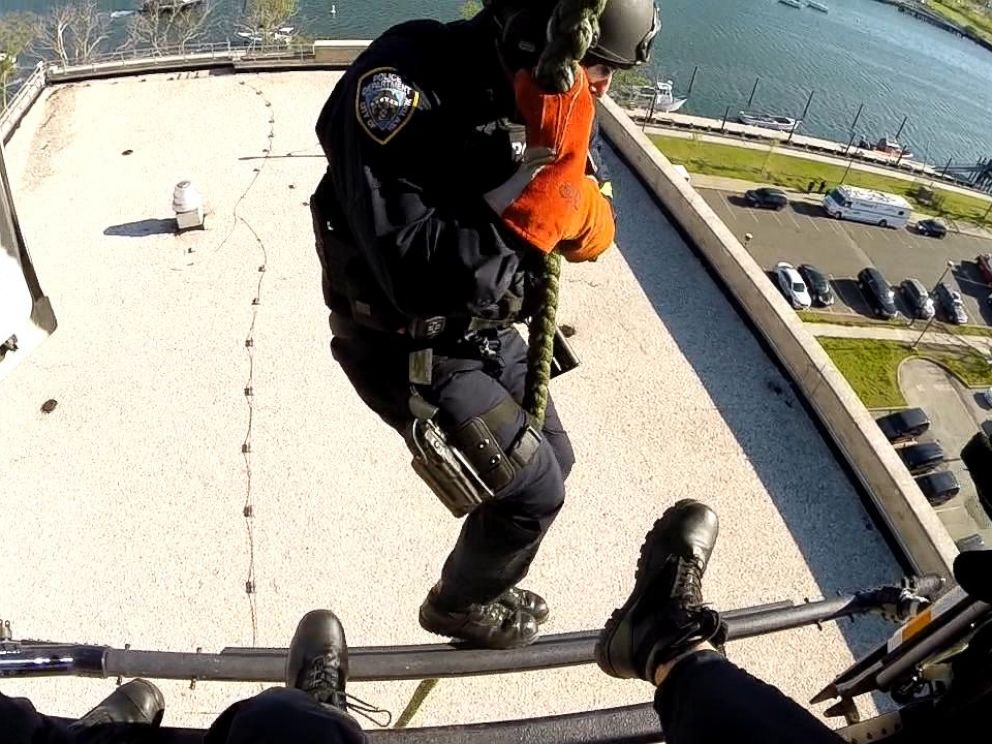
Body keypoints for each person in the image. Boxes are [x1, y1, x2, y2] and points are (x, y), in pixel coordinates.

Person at [310, 0, 660, 649]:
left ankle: (484, 578)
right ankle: (456, 606)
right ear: (536, 42)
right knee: (532, 494)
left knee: (558, 460)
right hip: (406, 344)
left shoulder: (537, 95)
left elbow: (582, 186)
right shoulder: (403, 84)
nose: (604, 86)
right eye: (599, 68)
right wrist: (544, 197)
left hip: (481, 329)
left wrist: (583, 203)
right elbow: (414, 277)